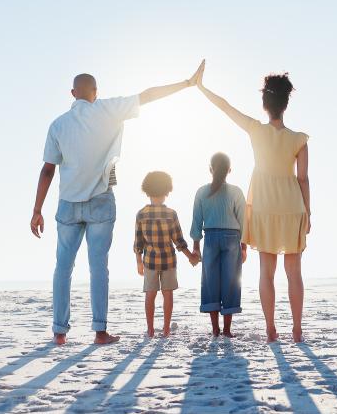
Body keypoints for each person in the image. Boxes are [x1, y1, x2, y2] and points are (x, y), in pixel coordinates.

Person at [31, 61, 204, 346]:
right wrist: (186, 83)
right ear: (95, 92)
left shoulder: (58, 125)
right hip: (100, 202)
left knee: (63, 268)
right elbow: (148, 95)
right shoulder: (108, 109)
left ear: (73, 93)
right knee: (98, 268)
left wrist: (37, 210)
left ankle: (60, 332)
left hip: (68, 204)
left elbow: (48, 170)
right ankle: (100, 332)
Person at [196, 66, 311, 343]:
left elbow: (226, 107)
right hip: (292, 206)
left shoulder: (255, 129)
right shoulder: (299, 140)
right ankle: (297, 330)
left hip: (263, 207)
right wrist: (308, 212)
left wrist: (201, 87)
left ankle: (271, 329)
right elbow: (303, 179)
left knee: (266, 273)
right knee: (294, 273)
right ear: (285, 104)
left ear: (265, 104)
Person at [133, 171, 199, 338]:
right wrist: (191, 257)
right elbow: (178, 241)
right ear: (167, 191)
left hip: (149, 261)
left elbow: (138, 242)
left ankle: (150, 329)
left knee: (150, 294)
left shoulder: (141, 214)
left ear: (147, 191)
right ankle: (166, 329)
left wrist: (138, 262)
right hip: (169, 261)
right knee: (167, 294)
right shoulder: (171, 214)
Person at [190, 152, 247, 337]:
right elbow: (244, 221)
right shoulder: (236, 191)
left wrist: (196, 247)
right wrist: (244, 246)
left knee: (210, 283)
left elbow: (196, 222)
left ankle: (215, 329)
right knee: (231, 282)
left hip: (210, 238)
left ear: (210, 169)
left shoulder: (201, 192)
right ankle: (227, 330)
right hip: (232, 238)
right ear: (229, 170)